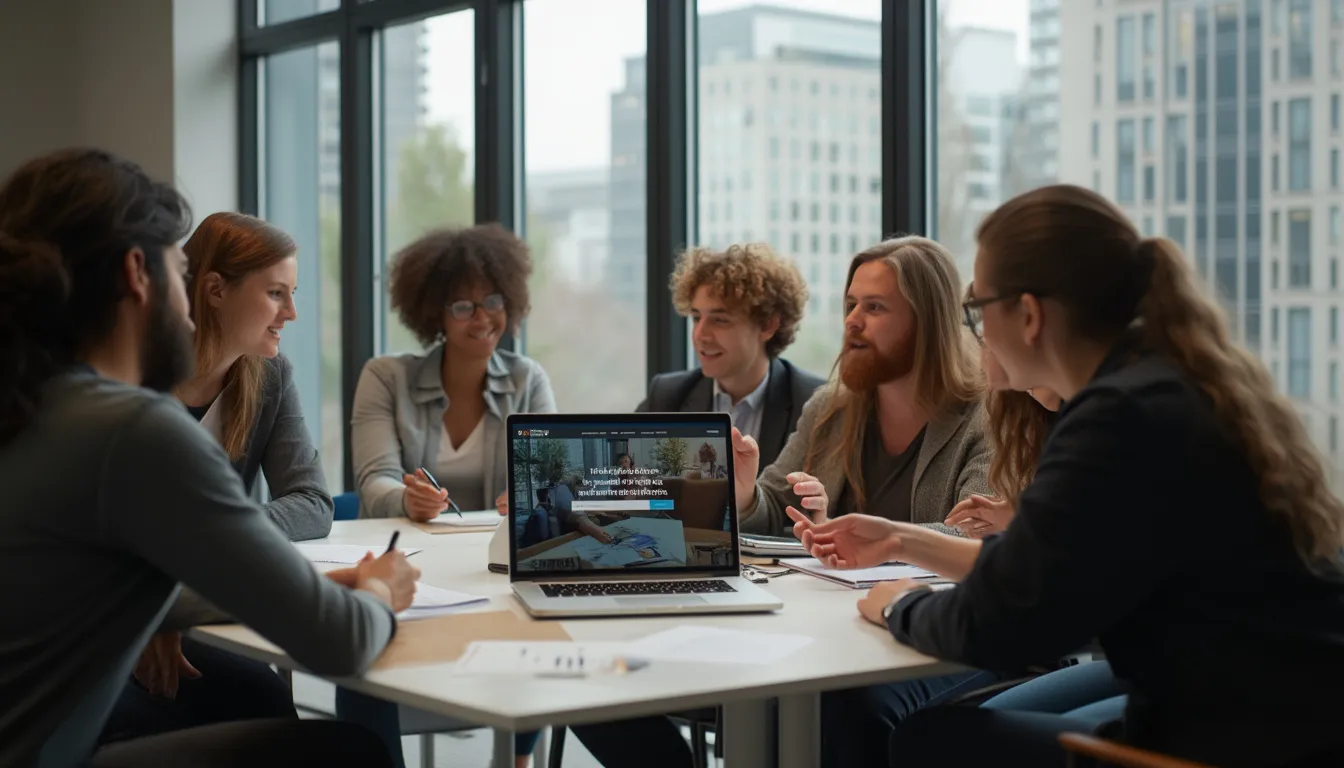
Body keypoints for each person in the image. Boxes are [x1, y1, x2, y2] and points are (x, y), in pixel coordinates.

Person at [792, 184, 1344, 767]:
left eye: (977, 309)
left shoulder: (1115, 419)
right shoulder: (1168, 388)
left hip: (1250, 741)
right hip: (1291, 715)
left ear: (1028, 314)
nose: (973, 332)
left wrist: (898, 605)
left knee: (933, 741)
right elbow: (1045, 573)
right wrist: (903, 542)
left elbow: (1004, 624)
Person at [0, 147, 417, 767]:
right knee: (347, 752)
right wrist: (380, 588)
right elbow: (343, 642)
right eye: (178, 270)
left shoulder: (34, 404)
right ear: (138, 274)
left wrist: (316, 582)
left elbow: (96, 584)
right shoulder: (132, 429)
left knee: (256, 695)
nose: (186, 296)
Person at [571, 236, 995, 768]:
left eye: (875, 307)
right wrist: (747, 492)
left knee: (836, 707)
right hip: (836, 624)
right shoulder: (835, 406)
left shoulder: (985, 413)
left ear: (927, 321)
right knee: (601, 674)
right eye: (850, 305)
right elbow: (775, 502)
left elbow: (980, 535)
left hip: (939, 630)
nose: (853, 321)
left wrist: (881, 540)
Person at [100, 212, 335, 746]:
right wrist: (213, 539)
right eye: (276, 294)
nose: (291, 313)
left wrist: (215, 530)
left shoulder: (270, 377)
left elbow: (313, 502)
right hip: (115, 634)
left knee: (267, 701)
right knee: (266, 704)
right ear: (213, 290)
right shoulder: (128, 381)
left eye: (292, 294)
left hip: (193, 612)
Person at [344, 223, 554, 768]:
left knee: (543, 626)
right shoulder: (385, 377)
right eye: (463, 306)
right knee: (363, 653)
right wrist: (406, 500)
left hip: (487, 572)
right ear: (433, 312)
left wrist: (530, 499)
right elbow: (375, 481)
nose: (483, 319)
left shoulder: (529, 380)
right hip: (408, 566)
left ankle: (515, 759)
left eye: (493, 301)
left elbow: (549, 481)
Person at [636, 243, 825, 473]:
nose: (700, 335)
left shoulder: (813, 403)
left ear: (768, 325)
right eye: (696, 318)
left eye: (720, 320)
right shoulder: (668, 396)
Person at [943, 345, 1061, 537]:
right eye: (983, 343)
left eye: (992, 347)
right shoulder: (1026, 411)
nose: (985, 361)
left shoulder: (1108, 412)